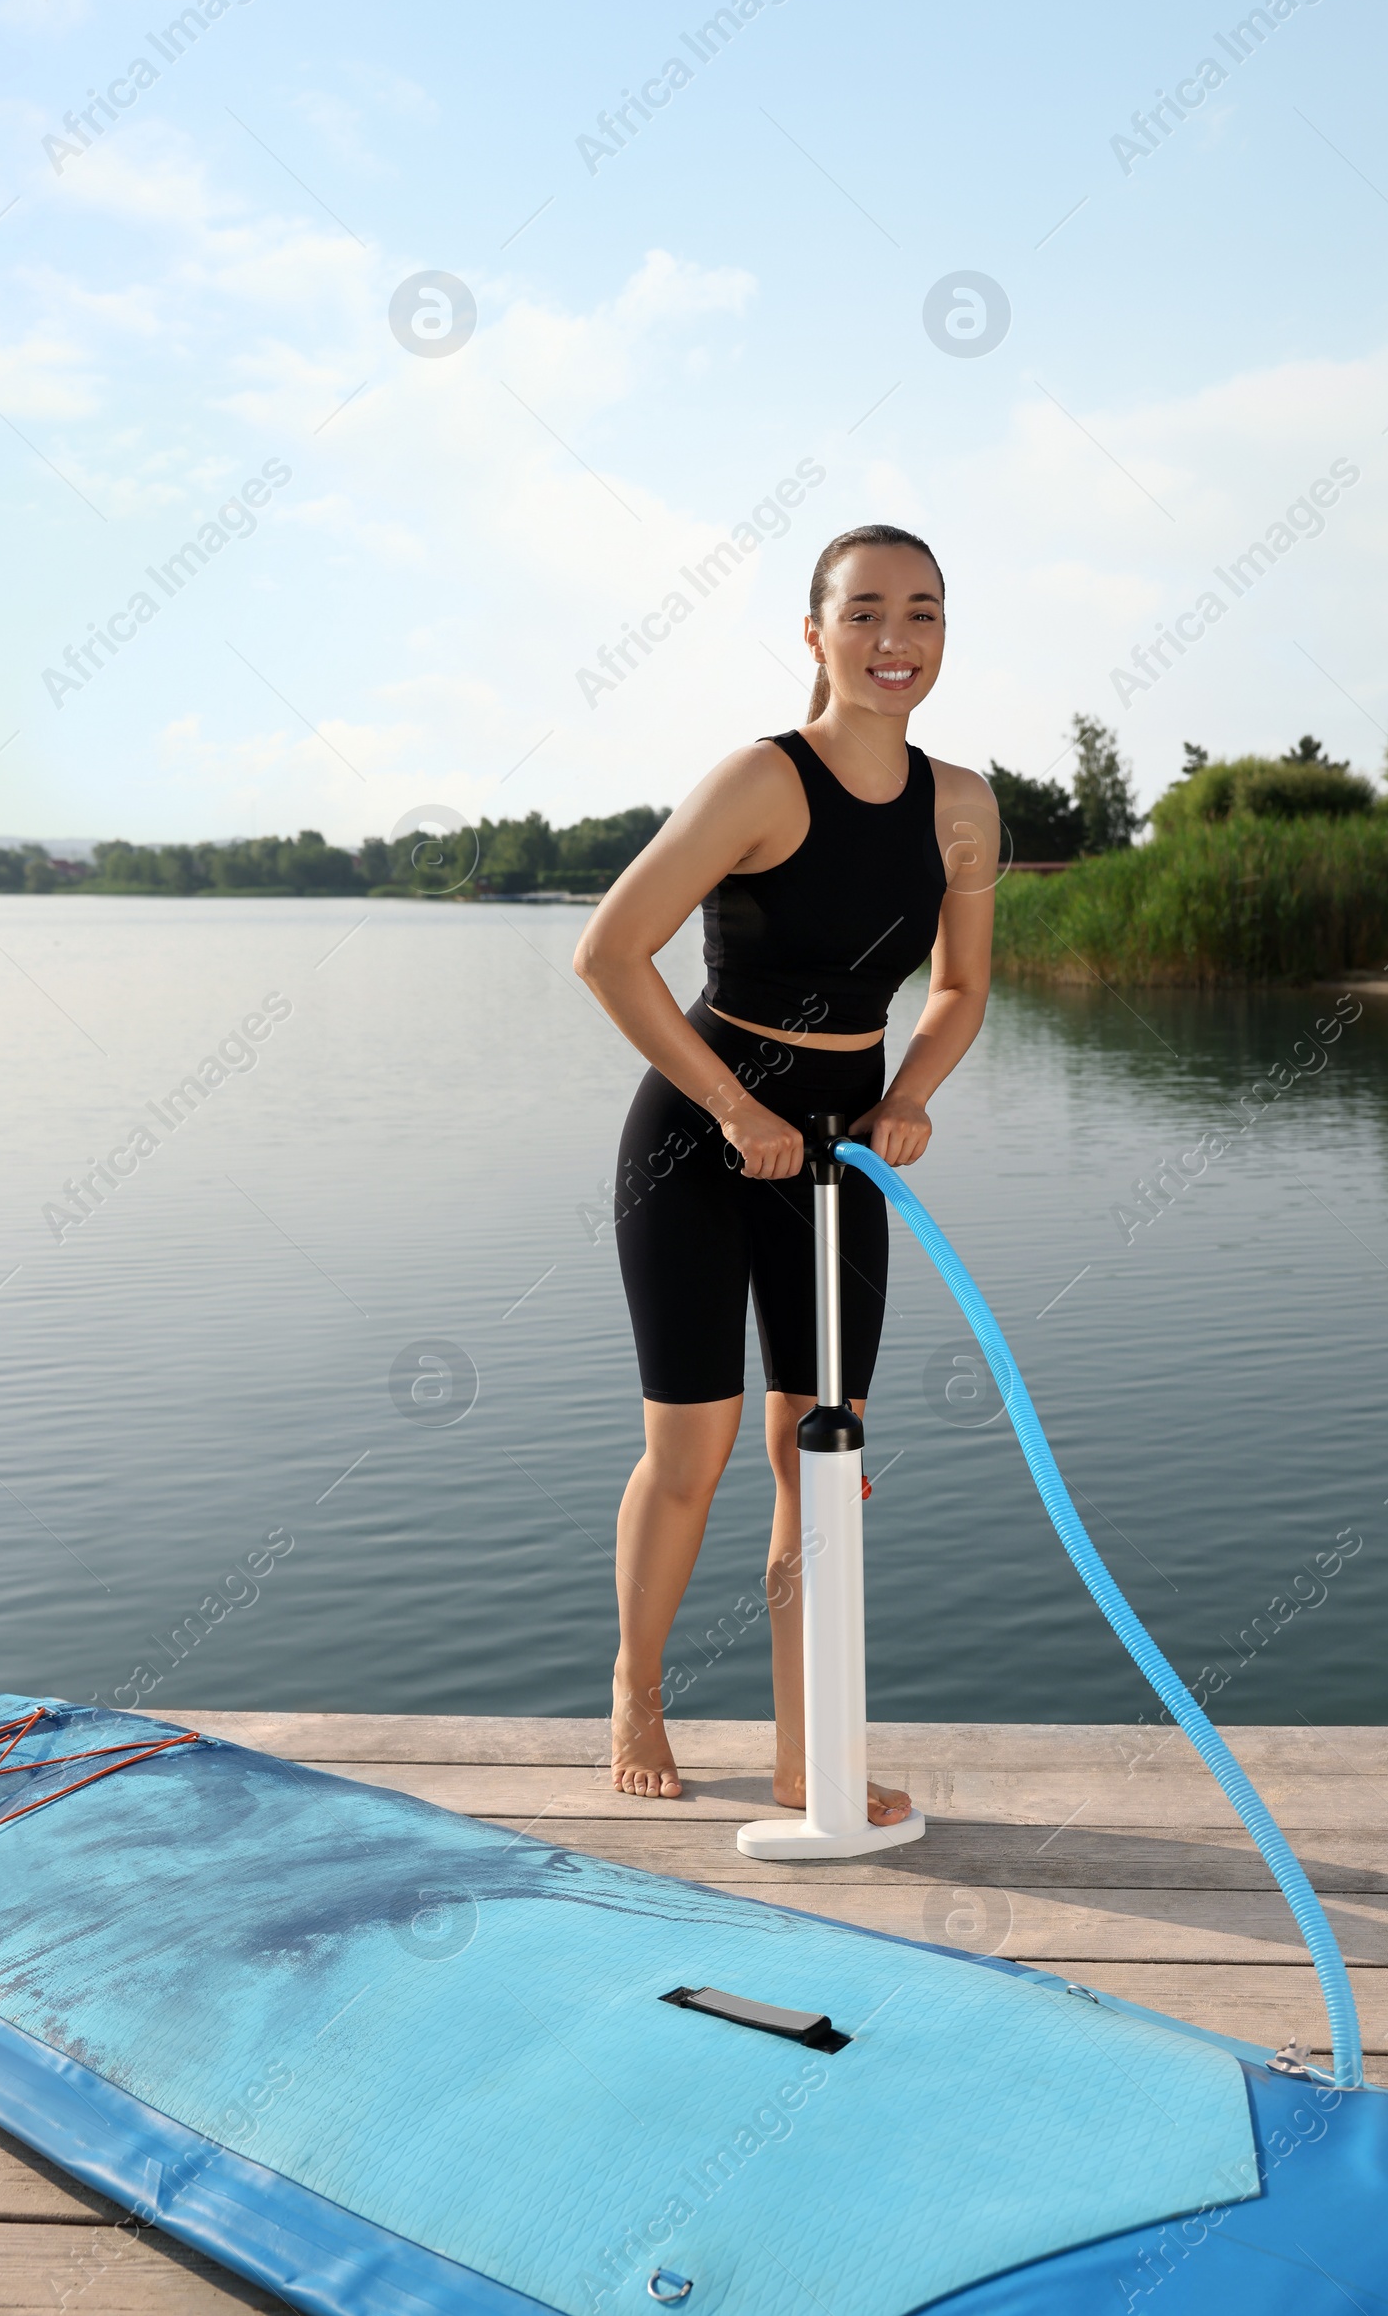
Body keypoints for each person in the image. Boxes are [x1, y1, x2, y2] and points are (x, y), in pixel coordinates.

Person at [573, 523, 997, 1812]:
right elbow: (609, 952)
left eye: (921, 614)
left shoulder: (964, 804)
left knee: (824, 1455)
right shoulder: (762, 780)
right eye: (864, 612)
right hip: (701, 1141)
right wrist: (733, 1109)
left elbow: (963, 985)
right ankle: (636, 1691)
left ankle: (806, 1754)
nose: (894, 640)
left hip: (842, 1153)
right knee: (692, 1453)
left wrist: (908, 1095)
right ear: (813, 633)